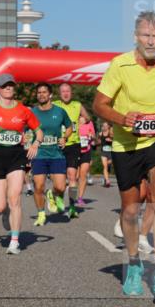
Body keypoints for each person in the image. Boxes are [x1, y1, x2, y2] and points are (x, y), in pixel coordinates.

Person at [95, 10, 155, 296]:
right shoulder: (119, 65)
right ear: (136, 36)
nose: (152, 41)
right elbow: (100, 105)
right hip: (126, 144)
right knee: (130, 210)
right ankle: (133, 264)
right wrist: (122, 119)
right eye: (146, 35)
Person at [0, 73, 42, 254]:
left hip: (16, 156)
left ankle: (15, 241)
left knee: (15, 198)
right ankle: (5, 213)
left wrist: (36, 143)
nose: (8, 88)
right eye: (5, 86)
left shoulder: (24, 110)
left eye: (11, 85)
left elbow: (39, 131)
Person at [30, 83, 72, 226]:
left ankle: (52, 194)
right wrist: (23, 137)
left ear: (50, 95)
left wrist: (64, 138)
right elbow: (22, 128)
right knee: (39, 186)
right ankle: (41, 214)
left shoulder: (60, 111)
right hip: (39, 154)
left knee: (60, 187)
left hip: (56, 154)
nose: (41, 95)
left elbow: (70, 127)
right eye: (39, 93)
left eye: (44, 92)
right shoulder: (32, 112)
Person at [53, 83, 91, 219]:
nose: (65, 93)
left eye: (68, 91)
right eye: (63, 91)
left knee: (72, 176)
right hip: (58, 145)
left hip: (73, 144)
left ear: (71, 93)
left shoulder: (77, 105)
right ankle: (56, 195)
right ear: (59, 93)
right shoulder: (55, 104)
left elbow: (88, 117)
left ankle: (73, 207)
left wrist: (84, 119)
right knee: (60, 183)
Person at [76, 113, 96, 205]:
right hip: (75, 151)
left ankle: (80, 197)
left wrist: (91, 136)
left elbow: (94, 136)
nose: (82, 117)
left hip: (86, 151)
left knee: (83, 175)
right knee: (75, 176)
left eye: (84, 116)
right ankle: (72, 195)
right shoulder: (74, 123)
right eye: (81, 116)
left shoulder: (89, 123)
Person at [99, 122, 114, 187]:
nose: (104, 127)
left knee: (108, 165)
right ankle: (107, 181)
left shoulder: (111, 133)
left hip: (111, 152)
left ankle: (105, 176)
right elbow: (98, 142)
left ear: (108, 126)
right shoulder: (100, 134)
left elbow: (116, 140)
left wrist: (111, 140)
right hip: (103, 152)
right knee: (105, 166)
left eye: (106, 125)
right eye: (103, 125)